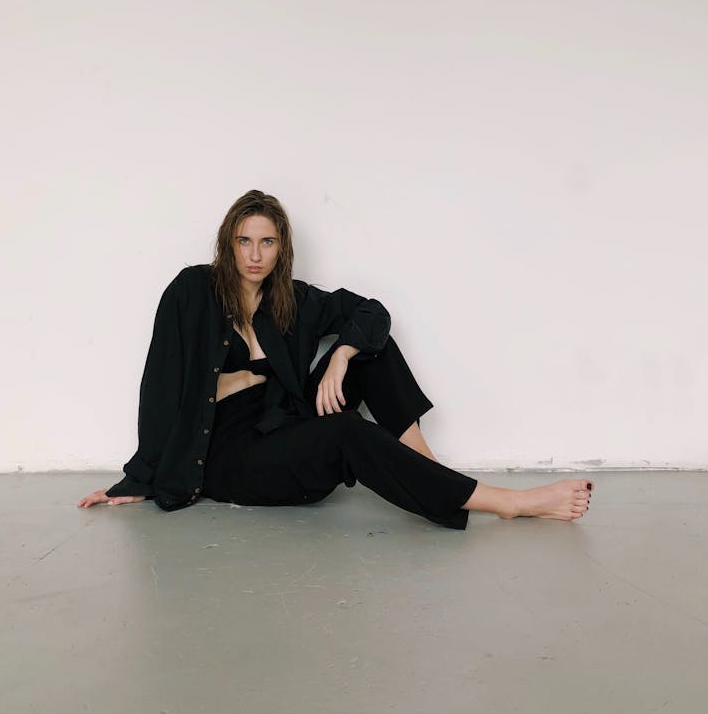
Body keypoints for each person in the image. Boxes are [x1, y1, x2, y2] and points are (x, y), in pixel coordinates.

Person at [78, 190, 593, 527]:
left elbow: (372, 313)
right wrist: (141, 477)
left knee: (372, 349)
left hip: (284, 424)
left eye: (267, 242)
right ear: (228, 243)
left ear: (282, 248)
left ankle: (431, 472)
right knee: (349, 432)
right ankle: (510, 502)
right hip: (233, 457)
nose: (255, 254)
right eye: (244, 240)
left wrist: (344, 352)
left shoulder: (294, 300)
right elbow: (161, 386)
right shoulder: (191, 291)